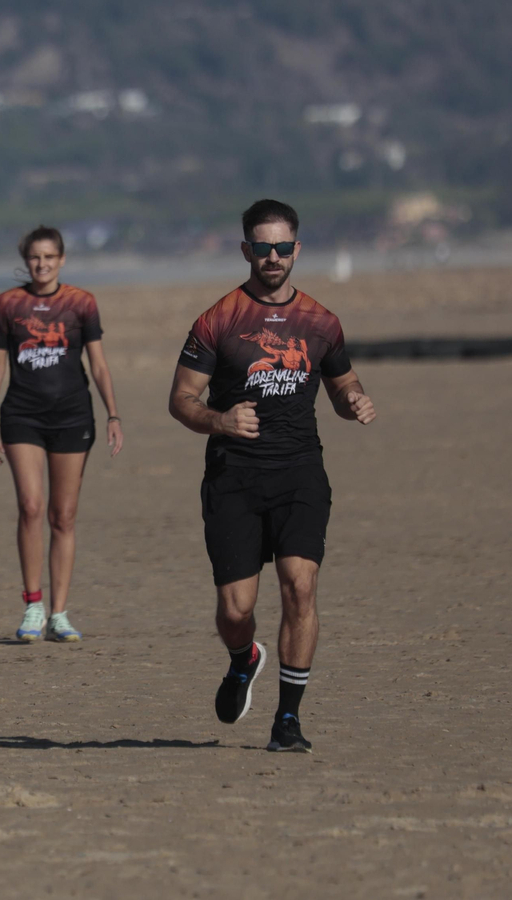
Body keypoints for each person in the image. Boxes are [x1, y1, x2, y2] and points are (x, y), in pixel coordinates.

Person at [169, 199, 376, 753]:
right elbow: (181, 399)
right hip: (234, 477)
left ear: (297, 250)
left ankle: (288, 719)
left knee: (300, 587)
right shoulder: (217, 320)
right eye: (263, 248)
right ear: (247, 250)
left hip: (299, 472)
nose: (274, 257)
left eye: (283, 247)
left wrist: (353, 400)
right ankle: (244, 659)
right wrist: (220, 420)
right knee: (235, 611)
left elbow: (342, 384)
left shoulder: (321, 322)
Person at [0, 226, 124, 645]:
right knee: (30, 506)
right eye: (34, 257)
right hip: (22, 415)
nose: (41, 264)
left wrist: (113, 414)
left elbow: (98, 364)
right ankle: (33, 605)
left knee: (63, 515)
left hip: (72, 415)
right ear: (26, 260)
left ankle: (59, 614)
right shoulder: (7, 304)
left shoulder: (81, 303)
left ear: (61, 259)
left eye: (48, 257)